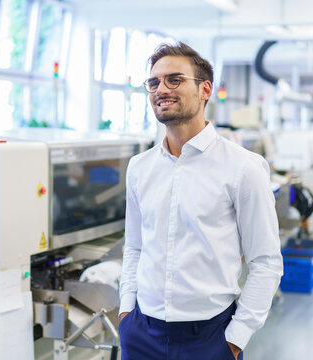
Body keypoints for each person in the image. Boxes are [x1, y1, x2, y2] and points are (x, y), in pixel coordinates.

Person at [118, 42, 283, 360]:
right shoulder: (140, 167)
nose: (161, 89)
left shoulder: (243, 167)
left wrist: (234, 340)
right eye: (154, 82)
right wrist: (126, 312)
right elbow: (135, 247)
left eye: (175, 79)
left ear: (205, 89)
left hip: (209, 338)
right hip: (141, 333)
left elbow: (266, 262)